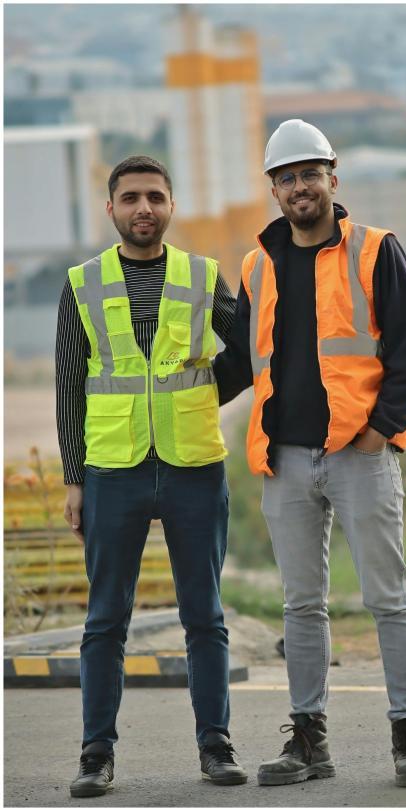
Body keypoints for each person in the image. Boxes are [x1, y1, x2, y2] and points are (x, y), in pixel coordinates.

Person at [213, 119, 406, 788]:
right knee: (301, 605)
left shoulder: (374, 250)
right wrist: (175, 389)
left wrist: (381, 432)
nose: (301, 186)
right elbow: (246, 366)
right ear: (274, 189)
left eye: (311, 173)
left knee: (388, 597)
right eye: (288, 177)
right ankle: (308, 741)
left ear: (332, 179)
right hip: (284, 457)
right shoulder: (257, 264)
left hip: (360, 454)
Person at [56, 155, 248, 797]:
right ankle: (95, 754)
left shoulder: (202, 277)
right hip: (114, 468)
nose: (144, 208)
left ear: (172, 206)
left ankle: (215, 747)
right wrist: (74, 477)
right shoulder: (82, 284)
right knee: (105, 619)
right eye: (132, 197)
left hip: (193, 463)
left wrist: (196, 399)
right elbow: (69, 384)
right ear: (110, 208)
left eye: (156, 197)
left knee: (205, 615)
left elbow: (244, 350)